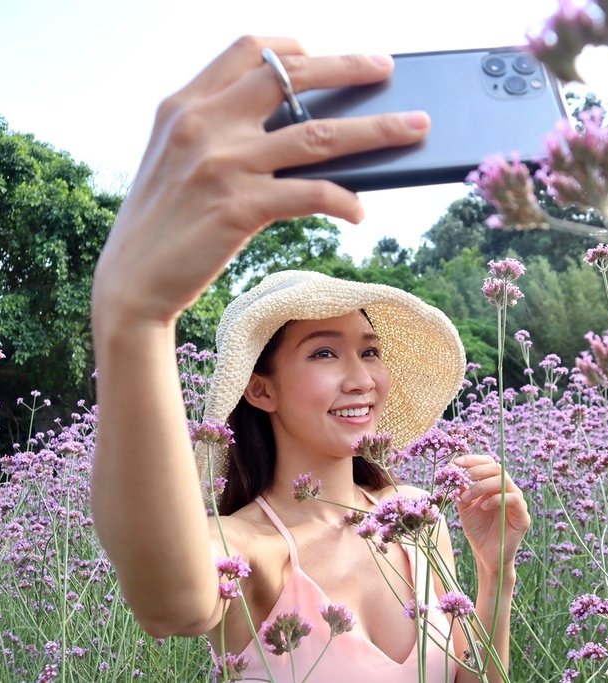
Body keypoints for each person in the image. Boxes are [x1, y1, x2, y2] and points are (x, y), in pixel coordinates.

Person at [90, 36, 530, 682]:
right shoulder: (256, 550)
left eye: (370, 350)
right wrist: (134, 319)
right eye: (324, 352)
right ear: (261, 389)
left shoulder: (419, 519)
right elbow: (168, 602)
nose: (362, 378)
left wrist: (498, 570)